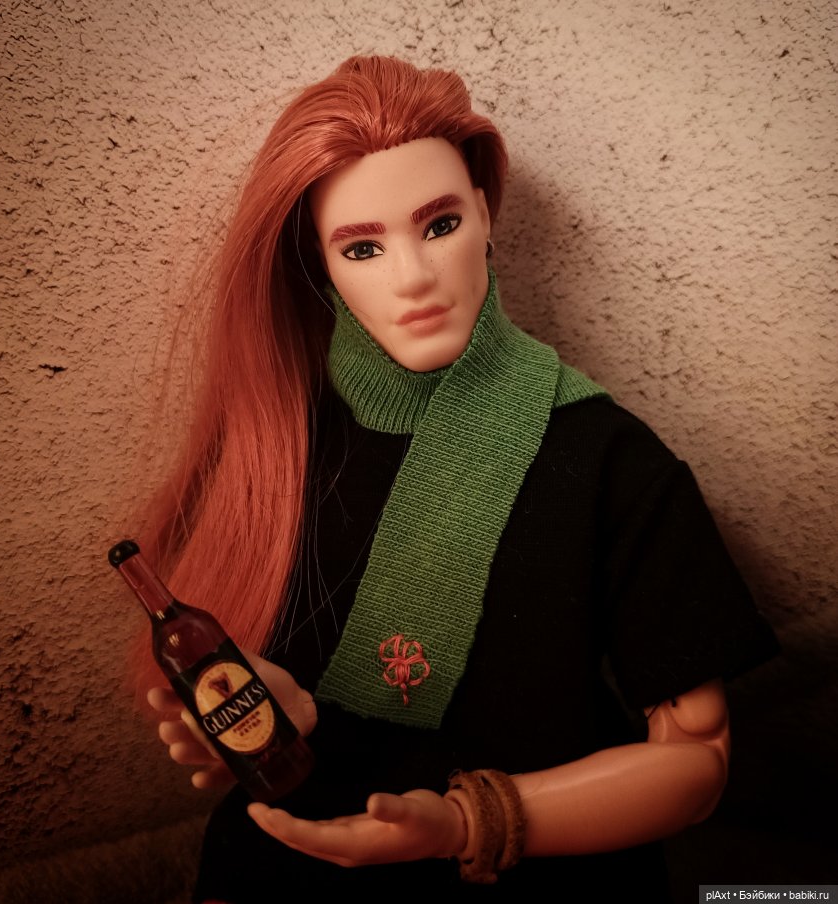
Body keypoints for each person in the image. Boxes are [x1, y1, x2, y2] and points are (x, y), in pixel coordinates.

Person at [142, 55, 779, 900]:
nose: (412, 278)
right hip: (289, 856)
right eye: (362, 247)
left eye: (439, 225)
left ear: (485, 213)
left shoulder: (611, 461)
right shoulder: (277, 447)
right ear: (319, 267)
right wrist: (277, 715)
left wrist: (473, 822)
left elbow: (696, 761)